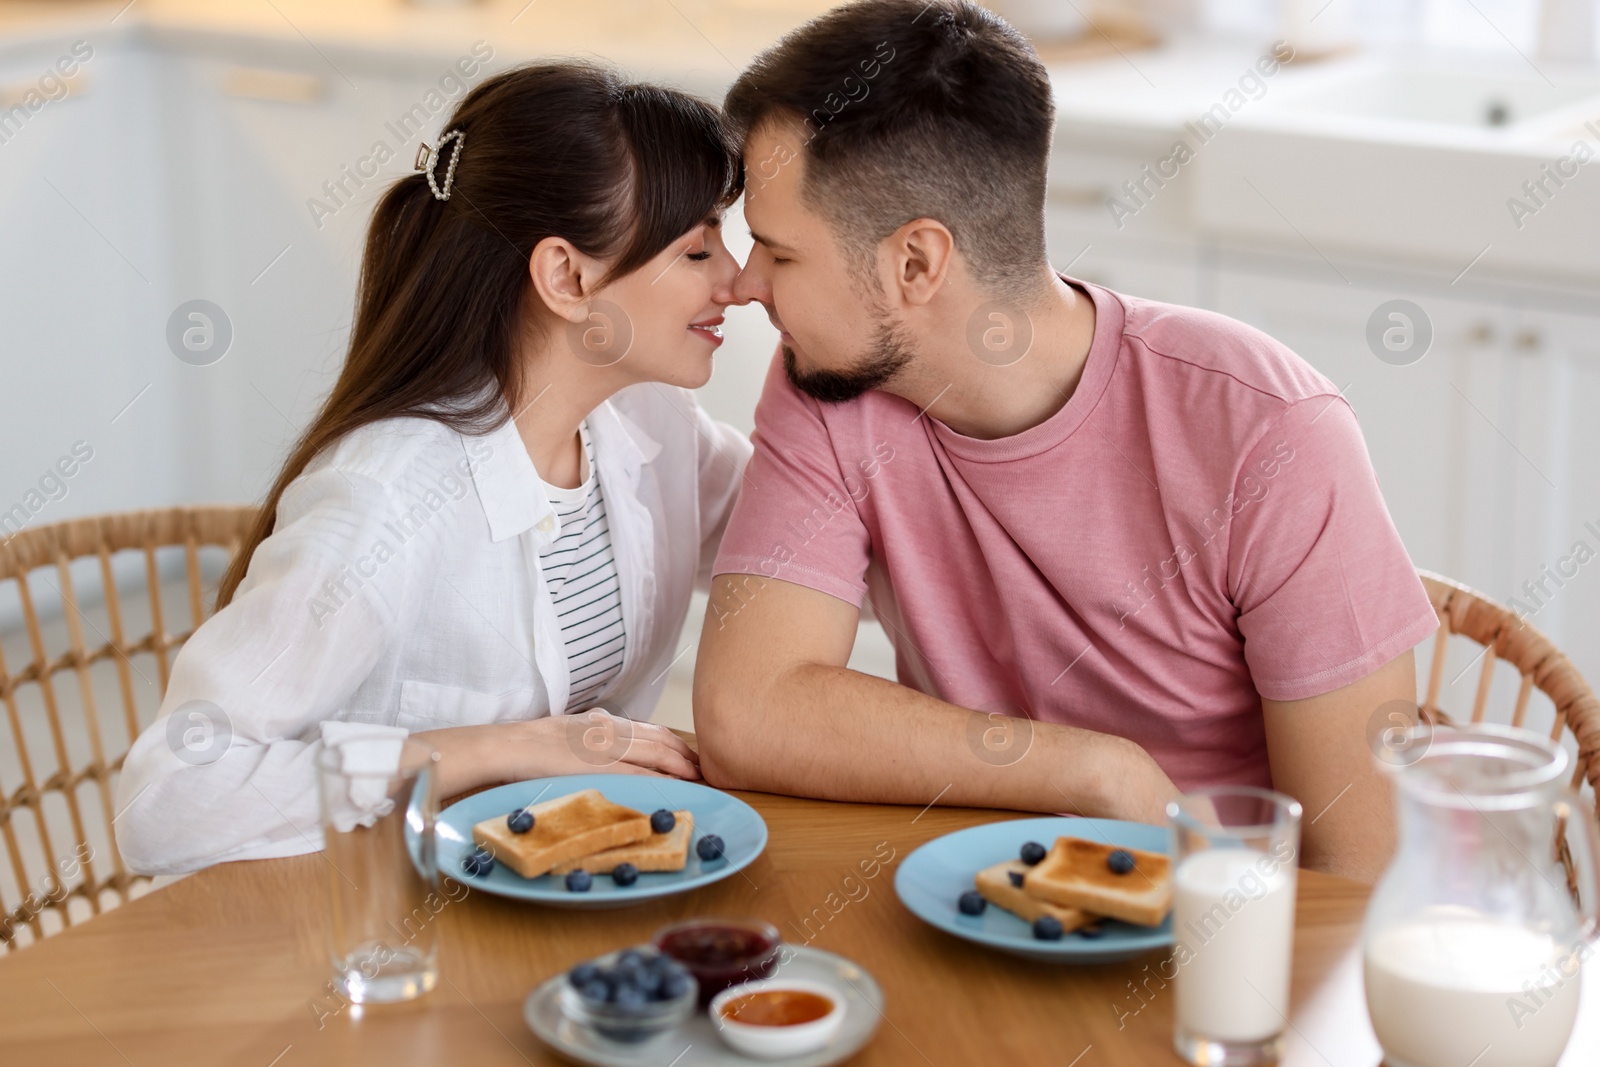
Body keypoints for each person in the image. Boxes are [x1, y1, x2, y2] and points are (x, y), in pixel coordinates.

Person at [693, 0, 1437, 882]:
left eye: (778, 253)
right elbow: (750, 711)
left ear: (918, 264)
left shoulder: (1269, 430)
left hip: (1214, 935)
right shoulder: (829, 386)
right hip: (974, 906)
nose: (741, 284)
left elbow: (1357, 870)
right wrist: (1094, 769)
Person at [115, 62, 750, 875]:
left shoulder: (645, 422)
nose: (737, 282)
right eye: (698, 248)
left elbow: (832, 548)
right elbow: (164, 803)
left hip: (539, 902)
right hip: (354, 933)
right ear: (566, 276)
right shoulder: (388, 494)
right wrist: (496, 749)